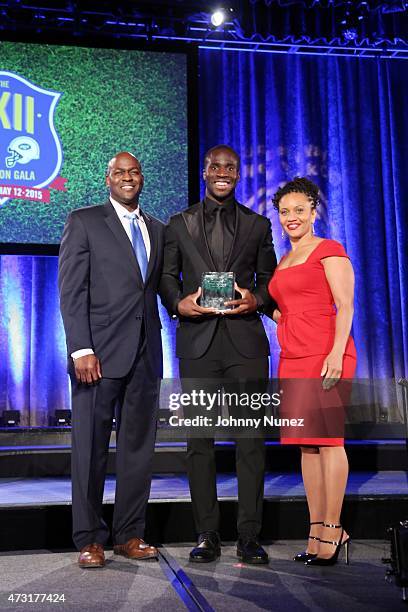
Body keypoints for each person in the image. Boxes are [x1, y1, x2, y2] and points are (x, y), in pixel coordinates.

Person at [160, 144, 277, 564]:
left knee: (250, 441)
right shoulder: (177, 224)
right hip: (197, 343)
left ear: (238, 173)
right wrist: (178, 304)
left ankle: (249, 535)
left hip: (245, 343)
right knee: (199, 443)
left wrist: (255, 300)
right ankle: (207, 534)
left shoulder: (258, 224)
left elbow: (270, 279)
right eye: (215, 166)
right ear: (204, 172)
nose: (222, 172)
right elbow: (166, 278)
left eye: (230, 166)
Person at [58, 152, 164, 568]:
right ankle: (90, 539)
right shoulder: (84, 221)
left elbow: (155, 290)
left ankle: (129, 534)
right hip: (97, 357)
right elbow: (71, 291)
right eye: (119, 172)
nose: (127, 177)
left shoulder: (156, 227)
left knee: (138, 450)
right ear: (107, 179)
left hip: (145, 355)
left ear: (142, 178)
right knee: (90, 450)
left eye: (134, 171)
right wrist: (80, 348)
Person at [268, 177, 357, 566]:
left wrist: (336, 353)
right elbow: (286, 308)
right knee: (306, 445)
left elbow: (346, 305)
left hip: (326, 354)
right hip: (293, 356)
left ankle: (335, 530)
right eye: (285, 212)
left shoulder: (329, 249)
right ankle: (316, 529)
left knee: (329, 441)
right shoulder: (284, 259)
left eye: (299, 210)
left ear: (313, 212)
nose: (292, 218)